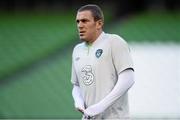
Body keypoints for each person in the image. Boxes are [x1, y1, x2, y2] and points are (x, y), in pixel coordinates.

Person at [71, 4, 134, 119]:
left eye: (85, 21)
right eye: (78, 21)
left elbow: (128, 78)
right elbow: (76, 85)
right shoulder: (77, 50)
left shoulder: (114, 42)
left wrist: (100, 106)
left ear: (99, 24)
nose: (80, 25)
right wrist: (78, 101)